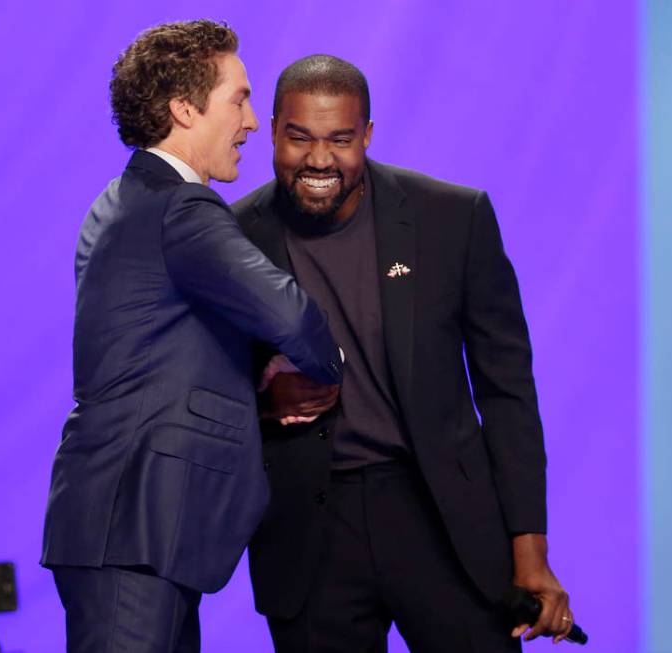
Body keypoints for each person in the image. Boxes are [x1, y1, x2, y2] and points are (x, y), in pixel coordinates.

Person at [232, 54, 573, 652]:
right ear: (272, 130)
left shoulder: (453, 217)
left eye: (340, 139)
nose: (318, 159)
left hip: (442, 519)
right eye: (299, 138)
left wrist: (531, 551)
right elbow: (201, 385)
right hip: (310, 528)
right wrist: (263, 403)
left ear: (366, 134)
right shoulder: (233, 236)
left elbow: (507, 392)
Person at [40, 26, 342, 653]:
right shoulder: (181, 208)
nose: (253, 122)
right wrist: (322, 365)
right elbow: (295, 319)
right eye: (239, 99)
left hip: (128, 527)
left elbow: (161, 352)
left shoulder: (118, 202)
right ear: (185, 108)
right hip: (135, 527)